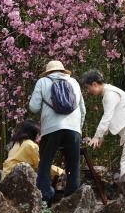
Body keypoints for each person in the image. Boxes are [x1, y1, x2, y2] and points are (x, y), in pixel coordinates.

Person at [29, 60, 86, 205]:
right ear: (63, 70)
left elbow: (33, 107)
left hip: (51, 129)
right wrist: (78, 129)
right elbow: (83, 110)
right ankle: (71, 198)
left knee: (45, 162)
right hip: (73, 128)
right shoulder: (74, 82)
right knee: (73, 164)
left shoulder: (42, 82)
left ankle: (45, 196)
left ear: (48, 72)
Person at [82, 70, 125, 177]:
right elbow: (111, 117)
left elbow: (107, 117)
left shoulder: (109, 94)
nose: (88, 91)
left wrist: (97, 136)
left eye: (88, 87)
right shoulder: (109, 92)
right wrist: (101, 136)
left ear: (94, 84)